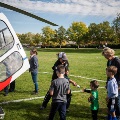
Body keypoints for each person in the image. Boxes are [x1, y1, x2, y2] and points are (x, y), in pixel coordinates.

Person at [102, 47, 120, 119]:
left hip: (117, 84)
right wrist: (107, 83)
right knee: (111, 101)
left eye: (105, 55)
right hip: (111, 82)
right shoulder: (109, 61)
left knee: (117, 100)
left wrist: (119, 86)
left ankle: (118, 116)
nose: (105, 57)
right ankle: (112, 115)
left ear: (110, 54)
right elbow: (109, 73)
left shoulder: (117, 61)